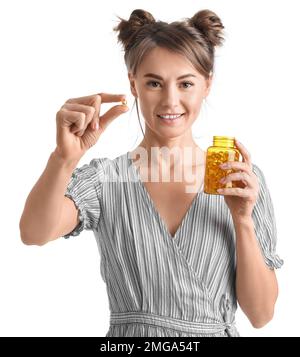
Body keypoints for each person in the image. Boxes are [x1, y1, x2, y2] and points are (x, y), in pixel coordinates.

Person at [19, 9, 283, 337]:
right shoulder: (106, 179)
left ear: (207, 84)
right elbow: (33, 233)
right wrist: (63, 158)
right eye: (154, 83)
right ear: (134, 83)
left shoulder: (238, 179)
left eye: (186, 83)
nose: (171, 100)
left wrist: (242, 219)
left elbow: (261, 315)